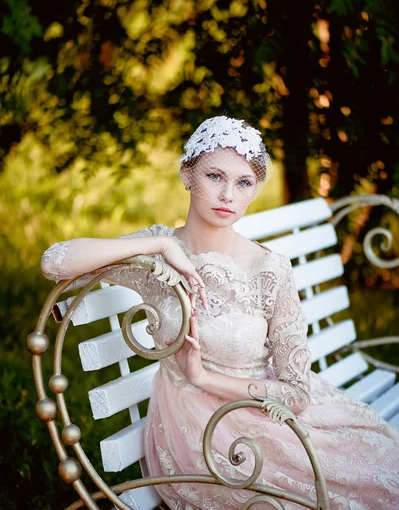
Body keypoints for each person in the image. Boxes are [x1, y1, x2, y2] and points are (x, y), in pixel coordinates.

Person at [41, 116, 399, 510]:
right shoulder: (156, 253)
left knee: (373, 474)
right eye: (214, 176)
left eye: (243, 182)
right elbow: (54, 261)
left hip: (264, 414)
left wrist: (203, 376)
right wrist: (160, 244)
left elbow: (296, 393)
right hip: (202, 438)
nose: (228, 194)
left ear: (254, 190)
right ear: (187, 175)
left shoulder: (271, 268)